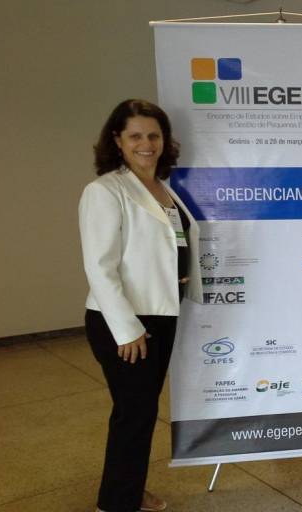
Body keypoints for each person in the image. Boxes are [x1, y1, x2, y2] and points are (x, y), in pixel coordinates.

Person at [79, 99, 203, 512]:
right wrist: (127, 329)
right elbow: (99, 267)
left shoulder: (162, 188)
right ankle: (116, 502)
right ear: (117, 140)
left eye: (153, 135)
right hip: (126, 321)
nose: (146, 143)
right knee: (133, 414)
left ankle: (127, 490)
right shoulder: (104, 191)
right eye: (135, 136)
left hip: (161, 314)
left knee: (141, 411)